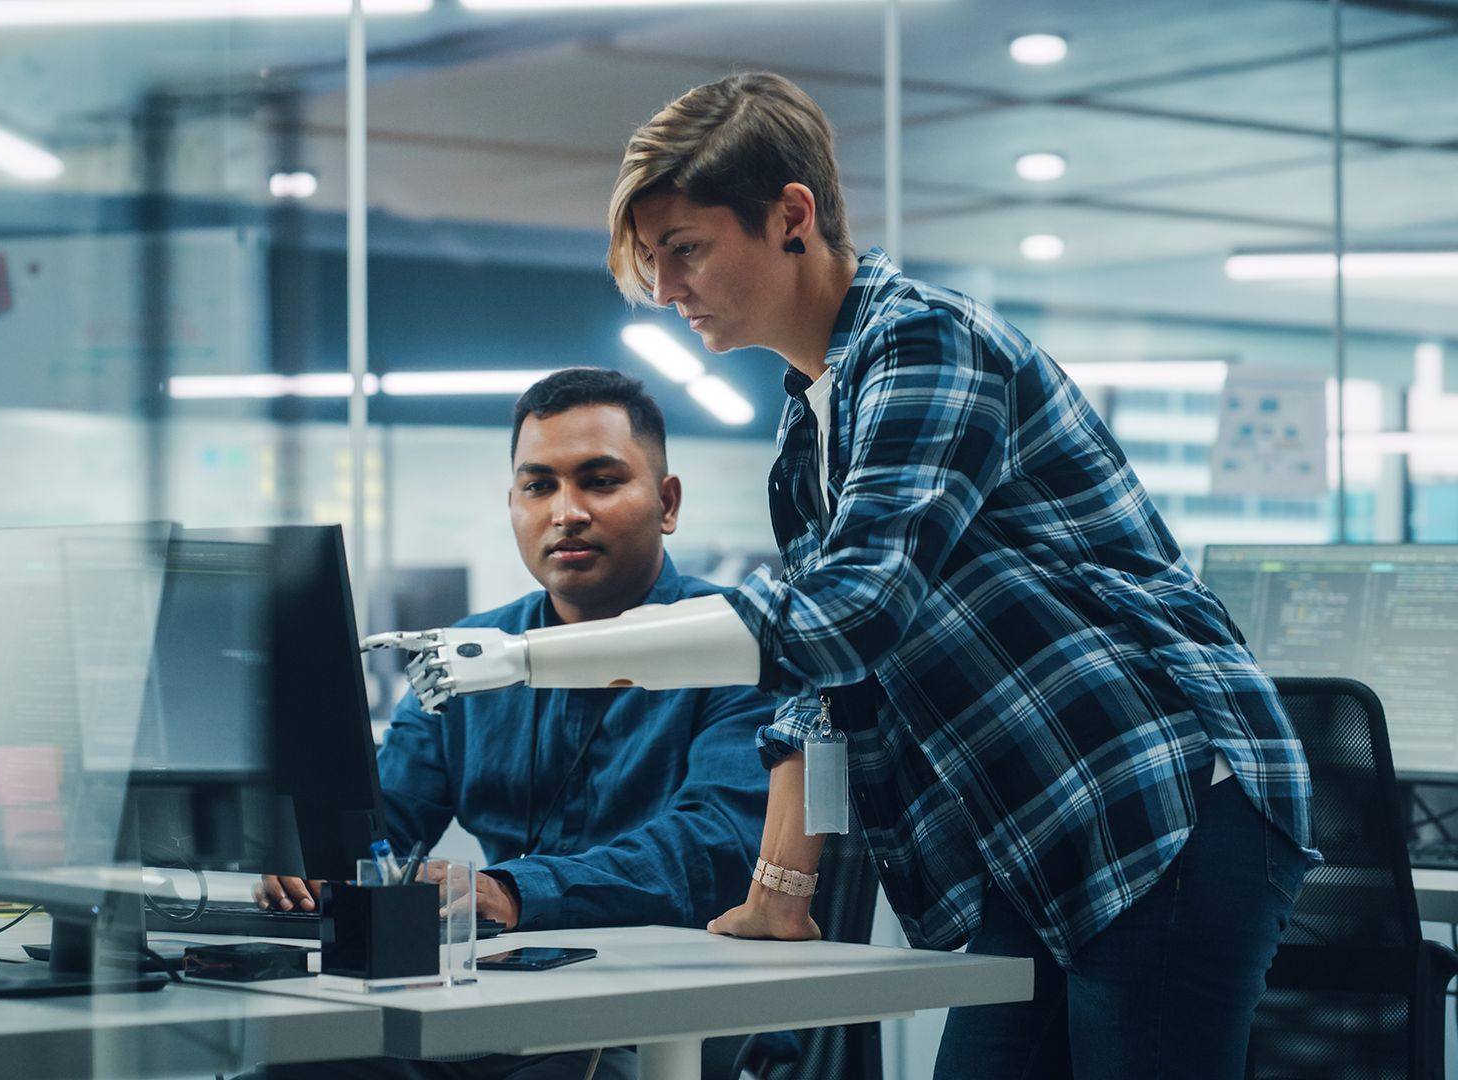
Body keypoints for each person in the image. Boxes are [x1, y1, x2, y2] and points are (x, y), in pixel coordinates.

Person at [368, 73, 1317, 1079]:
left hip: (1163, 800)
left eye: (685, 251)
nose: (667, 289)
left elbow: (851, 612)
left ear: (791, 216)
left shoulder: (925, 342)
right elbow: (822, 685)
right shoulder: (812, 422)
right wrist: (780, 889)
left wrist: (524, 660)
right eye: (655, 263)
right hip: (1038, 831)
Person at [258, 368, 775, 1080]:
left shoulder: (737, 645)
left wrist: (511, 891)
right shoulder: (468, 656)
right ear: (512, 504)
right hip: (486, 1004)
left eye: (599, 480)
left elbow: (713, 846)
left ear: (667, 502)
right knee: (303, 1062)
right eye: (539, 486)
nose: (566, 512)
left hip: (649, 1017)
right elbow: (381, 820)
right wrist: (307, 855)